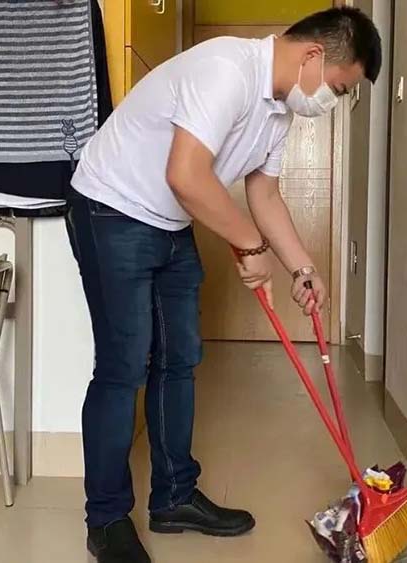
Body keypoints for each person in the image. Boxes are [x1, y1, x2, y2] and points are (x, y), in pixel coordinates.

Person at [65, 7, 382, 563]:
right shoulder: (226, 70)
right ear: (313, 56)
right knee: (124, 367)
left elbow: (264, 195)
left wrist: (302, 268)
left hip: (169, 221)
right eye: (338, 88)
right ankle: (107, 520)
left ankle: (174, 498)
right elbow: (186, 175)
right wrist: (250, 247)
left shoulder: (278, 112)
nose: (331, 101)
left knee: (180, 359)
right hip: (110, 210)